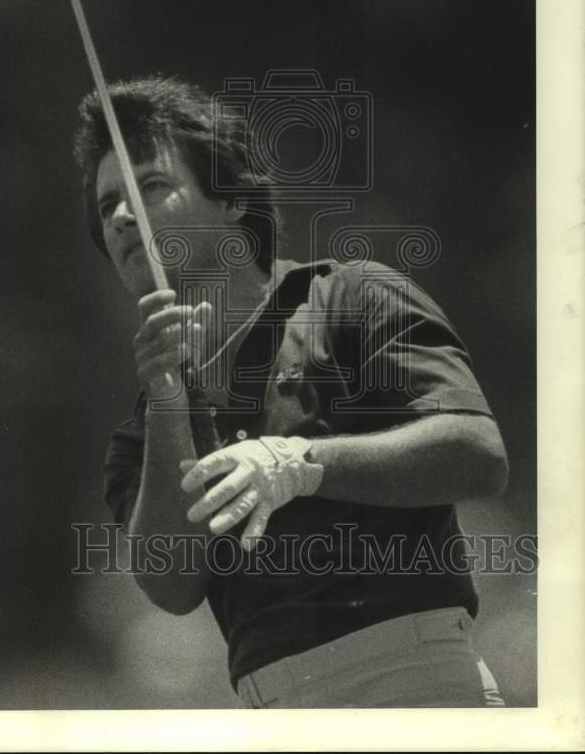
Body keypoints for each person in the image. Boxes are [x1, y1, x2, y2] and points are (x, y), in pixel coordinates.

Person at [73, 74, 509, 708]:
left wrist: (303, 463)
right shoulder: (143, 431)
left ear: (231, 199)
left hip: (419, 686)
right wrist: (171, 402)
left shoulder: (351, 299)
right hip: (272, 712)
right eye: (107, 203)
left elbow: (478, 452)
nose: (119, 217)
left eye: (151, 186)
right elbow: (171, 588)